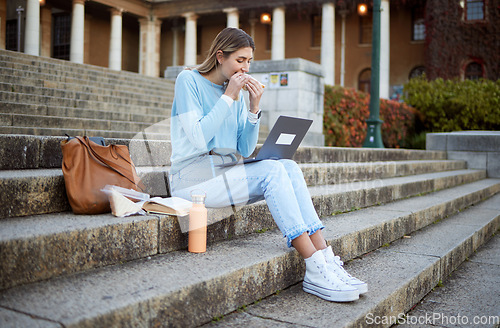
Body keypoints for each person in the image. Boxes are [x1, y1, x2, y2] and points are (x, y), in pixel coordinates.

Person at [169, 27, 367, 302]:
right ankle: (314, 267)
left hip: (224, 173)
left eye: (249, 61)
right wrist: (229, 96)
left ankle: (325, 256)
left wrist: (253, 107)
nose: (246, 68)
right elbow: (198, 137)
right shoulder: (188, 80)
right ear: (220, 56)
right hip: (192, 177)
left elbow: (245, 148)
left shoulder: (236, 93)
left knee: (287, 165)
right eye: (240, 60)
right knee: (273, 171)